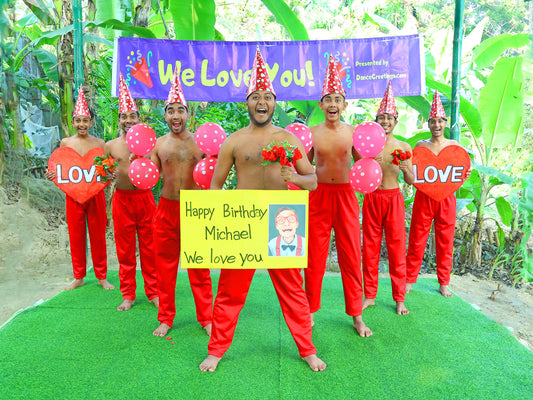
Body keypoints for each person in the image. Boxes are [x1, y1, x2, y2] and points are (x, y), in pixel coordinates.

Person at [200, 48, 326, 372]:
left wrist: (293, 176)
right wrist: (217, 219)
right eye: (255, 96)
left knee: (292, 289)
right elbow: (215, 186)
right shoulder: (234, 141)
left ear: (274, 102)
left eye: (267, 97)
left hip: (281, 219)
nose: (261, 102)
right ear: (247, 103)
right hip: (243, 221)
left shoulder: (288, 139)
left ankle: (307, 349)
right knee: (229, 290)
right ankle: (216, 350)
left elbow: (312, 181)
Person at [305, 54, 372, 336]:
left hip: (346, 197)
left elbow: (365, 165)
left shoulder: (354, 133)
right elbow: (302, 164)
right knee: (314, 257)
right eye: (328, 99)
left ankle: (356, 314)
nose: (333, 104)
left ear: (344, 105)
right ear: (321, 105)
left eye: (337, 99)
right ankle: (308, 311)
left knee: (350, 254)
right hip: (318, 197)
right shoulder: (311, 133)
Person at [151, 67, 213, 337]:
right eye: (171, 110)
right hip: (165, 210)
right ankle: (165, 317)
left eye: (180, 110)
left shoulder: (201, 142)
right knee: (165, 266)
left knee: (199, 266)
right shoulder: (158, 144)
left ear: (188, 114)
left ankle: (207, 317)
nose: (176, 116)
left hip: (195, 210)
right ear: (165, 114)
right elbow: (149, 177)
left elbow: (215, 172)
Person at [45, 85, 114, 291]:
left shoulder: (100, 143)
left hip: (95, 195)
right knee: (75, 235)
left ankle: (102, 275)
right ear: (73, 122)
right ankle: (78, 276)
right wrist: (52, 176)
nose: (82, 124)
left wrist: (110, 175)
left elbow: (105, 168)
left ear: (91, 122)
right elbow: (60, 167)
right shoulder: (66, 142)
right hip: (73, 196)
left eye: (85, 120)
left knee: (98, 234)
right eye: (78, 121)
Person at [104, 73, 158, 311]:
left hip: (145, 199)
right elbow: (101, 173)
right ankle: (128, 293)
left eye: (132, 115)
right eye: (124, 116)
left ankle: (154, 291)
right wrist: (105, 175)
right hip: (122, 200)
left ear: (139, 118)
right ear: (119, 120)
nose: (128, 119)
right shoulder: (110, 146)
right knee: (125, 249)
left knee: (150, 247)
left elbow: (159, 168)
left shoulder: (151, 143)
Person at [361, 81, 414, 315]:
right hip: (372, 198)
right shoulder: (368, 145)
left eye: (389, 117)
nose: (385, 121)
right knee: (370, 248)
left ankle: (399, 298)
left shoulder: (404, 146)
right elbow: (359, 171)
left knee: (396, 247)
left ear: (396, 120)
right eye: (381, 117)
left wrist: (405, 168)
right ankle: (370, 295)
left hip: (394, 198)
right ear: (376, 119)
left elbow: (412, 180)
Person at [405, 90, 461, 297]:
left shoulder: (454, 147)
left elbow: (460, 171)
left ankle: (444, 282)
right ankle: (409, 279)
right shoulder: (420, 146)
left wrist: (466, 172)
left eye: (440, 121)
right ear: (428, 124)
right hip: (424, 198)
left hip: (447, 199)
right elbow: (412, 170)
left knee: (445, 240)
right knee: (417, 238)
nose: (436, 125)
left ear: (445, 123)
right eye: (432, 122)